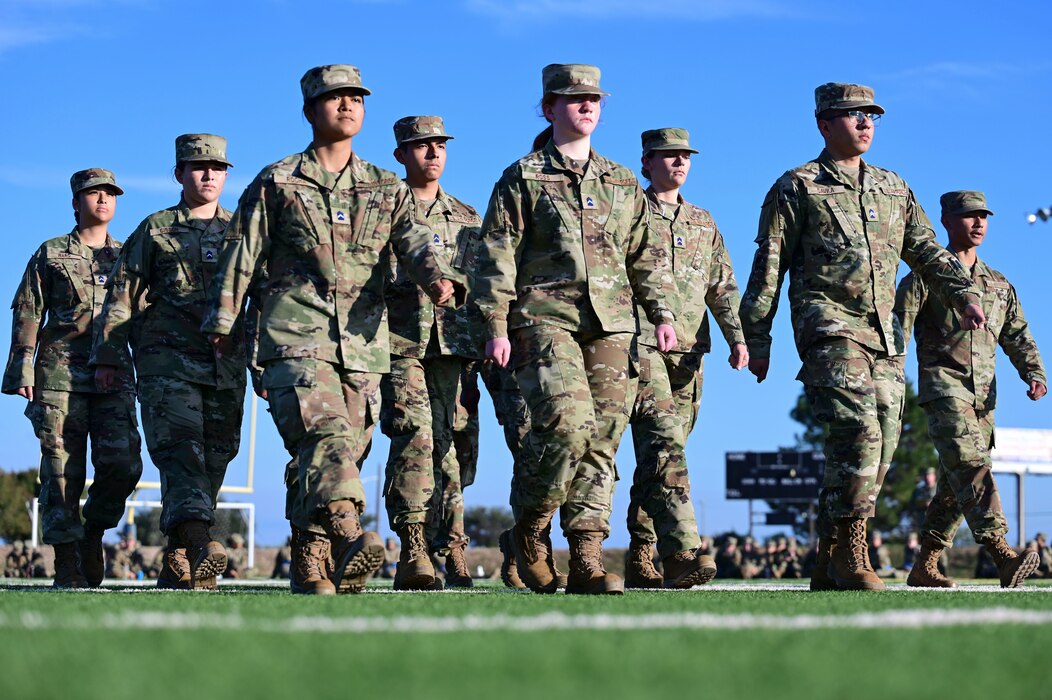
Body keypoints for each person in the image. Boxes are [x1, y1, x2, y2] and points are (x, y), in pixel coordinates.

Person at [200, 65, 458, 595]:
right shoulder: (278, 181)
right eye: (335, 97)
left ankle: (310, 559)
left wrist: (437, 280)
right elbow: (242, 253)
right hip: (295, 336)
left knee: (339, 454)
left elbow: (414, 241)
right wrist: (224, 319)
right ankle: (349, 536)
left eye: (355, 98)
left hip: (363, 344)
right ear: (309, 111)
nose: (347, 105)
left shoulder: (385, 186)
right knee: (325, 436)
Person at [740, 83, 986, 591]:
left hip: (885, 336)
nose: (865, 123)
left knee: (881, 446)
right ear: (824, 124)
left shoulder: (893, 187)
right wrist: (757, 337)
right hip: (829, 326)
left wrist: (963, 294)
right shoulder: (797, 186)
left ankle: (828, 555)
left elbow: (926, 250)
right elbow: (769, 265)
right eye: (853, 114)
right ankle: (854, 551)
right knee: (859, 432)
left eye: (871, 115)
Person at [472, 64, 677, 595]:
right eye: (573, 98)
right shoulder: (522, 176)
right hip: (544, 319)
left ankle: (587, 556)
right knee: (568, 426)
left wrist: (662, 315)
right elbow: (496, 257)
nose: (587, 106)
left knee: (603, 440)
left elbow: (644, 256)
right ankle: (532, 528)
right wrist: (496, 324)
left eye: (594, 99)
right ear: (549, 108)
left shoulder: (621, 181)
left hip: (612, 324)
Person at [93, 134, 246, 591]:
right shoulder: (155, 229)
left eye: (217, 168)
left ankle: (178, 556)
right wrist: (109, 357)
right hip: (167, 362)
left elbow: (260, 298)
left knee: (218, 455)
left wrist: (264, 362)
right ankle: (199, 542)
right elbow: (121, 294)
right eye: (198, 167)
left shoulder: (241, 231)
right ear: (179, 174)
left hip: (225, 365)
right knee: (181, 452)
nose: (208, 175)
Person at [896, 191, 1045, 588]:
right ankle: (1002, 554)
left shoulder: (998, 284)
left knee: (955, 483)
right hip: (944, 389)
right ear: (946, 221)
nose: (978, 223)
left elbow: (1017, 333)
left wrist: (1034, 372)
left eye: (983, 216)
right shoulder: (924, 277)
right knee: (971, 467)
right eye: (968, 216)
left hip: (984, 399)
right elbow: (897, 331)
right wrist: (887, 380)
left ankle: (925, 564)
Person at [3, 168, 143, 588]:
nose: (103, 200)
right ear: (75, 202)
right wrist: (22, 367)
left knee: (123, 463)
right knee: (61, 470)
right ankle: (66, 559)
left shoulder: (129, 255)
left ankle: (92, 531)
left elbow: (145, 315)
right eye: (93, 193)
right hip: (59, 375)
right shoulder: (51, 253)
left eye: (110, 194)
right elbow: (29, 310)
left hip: (115, 376)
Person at [623, 128, 748, 589]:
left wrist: (738, 338)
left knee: (661, 454)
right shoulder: (630, 211)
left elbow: (722, 286)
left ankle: (641, 551)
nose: (679, 162)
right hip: (641, 344)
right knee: (665, 445)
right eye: (668, 155)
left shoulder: (702, 221)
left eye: (685, 156)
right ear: (646, 162)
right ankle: (682, 552)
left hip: (691, 353)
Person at [381, 116, 481, 590]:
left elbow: (484, 282)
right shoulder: (382, 208)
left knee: (454, 448)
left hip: (456, 347)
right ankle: (413, 545)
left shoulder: (466, 216)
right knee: (415, 438)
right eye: (422, 146)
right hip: (400, 342)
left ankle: (453, 545)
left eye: (440, 144)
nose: (433, 153)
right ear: (401, 154)